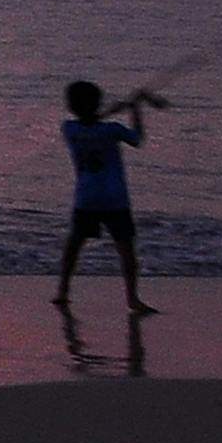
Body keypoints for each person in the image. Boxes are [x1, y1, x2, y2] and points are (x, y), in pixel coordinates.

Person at [53, 78, 159, 318]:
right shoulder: (112, 130)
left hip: (86, 199)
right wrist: (134, 110)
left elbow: (90, 121)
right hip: (114, 199)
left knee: (74, 246)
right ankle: (132, 297)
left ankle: (62, 291)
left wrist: (111, 110)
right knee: (126, 251)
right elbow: (137, 139)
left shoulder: (69, 129)